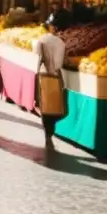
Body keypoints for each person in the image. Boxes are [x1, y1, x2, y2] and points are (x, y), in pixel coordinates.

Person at [34, 16, 67, 152]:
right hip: (54, 75)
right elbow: (59, 63)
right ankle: (50, 132)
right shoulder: (60, 43)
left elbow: (36, 55)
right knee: (57, 105)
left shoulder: (41, 40)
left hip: (42, 74)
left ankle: (47, 132)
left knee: (44, 105)